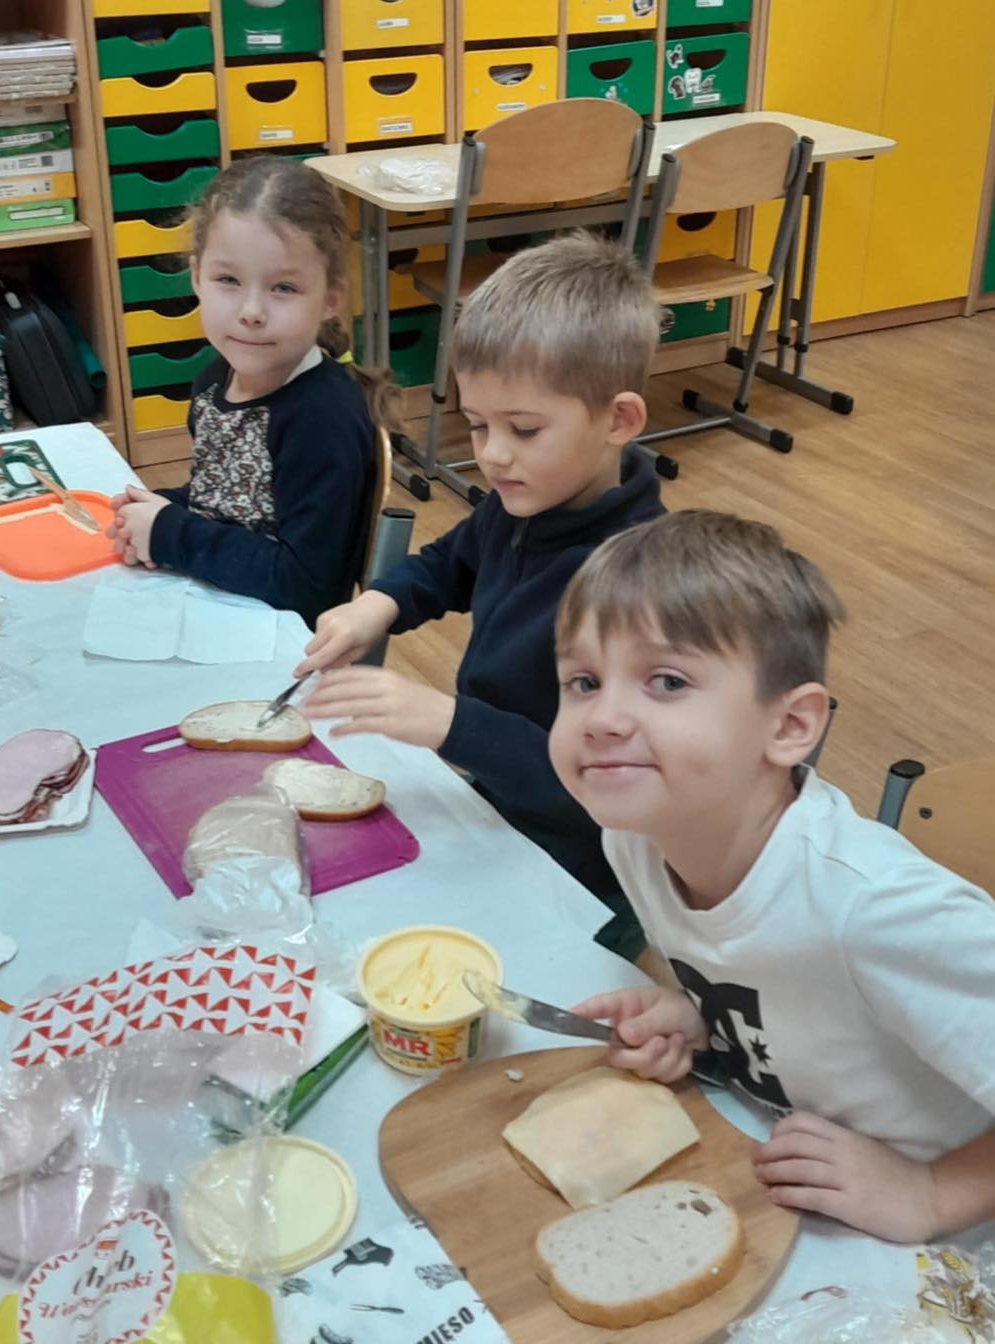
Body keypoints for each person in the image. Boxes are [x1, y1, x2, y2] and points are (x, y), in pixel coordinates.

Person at [548, 509, 995, 1243]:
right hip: (796, 1181)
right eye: (584, 681)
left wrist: (934, 1193)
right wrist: (702, 1022)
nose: (601, 717)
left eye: (666, 681)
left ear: (789, 727)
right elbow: (788, 986)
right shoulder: (636, 839)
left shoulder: (875, 908)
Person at [300, 231, 665, 899]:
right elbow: (451, 562)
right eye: (477, 424)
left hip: (581, 869)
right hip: (497, 806)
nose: (492, 454)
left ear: (618, 420)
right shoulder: (527, 501)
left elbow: (603, 795)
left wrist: (453, 725)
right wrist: (379, 603)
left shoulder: (642, 592)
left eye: (523, 429)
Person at [106, 156, 400, 628]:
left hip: (282, 644)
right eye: (228, 280)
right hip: (217, 605)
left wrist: (172, 533)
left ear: (330, 299)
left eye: (283, 288)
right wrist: (160, 508)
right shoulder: (213, 382)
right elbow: (231, 501)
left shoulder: (322, 422)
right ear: (196, 276)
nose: (251, 311)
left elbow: (306, 587)